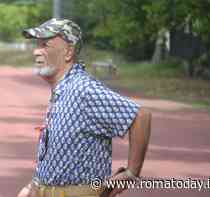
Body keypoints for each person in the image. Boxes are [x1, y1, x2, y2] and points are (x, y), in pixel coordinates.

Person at [17, 18, 151, 197]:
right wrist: (34, 186)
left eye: (45, 45)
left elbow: (140, 116)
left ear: (68, 52)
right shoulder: (64, 89)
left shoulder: (82, 89)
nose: (36, 51)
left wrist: (132, 172)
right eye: (37, 44)